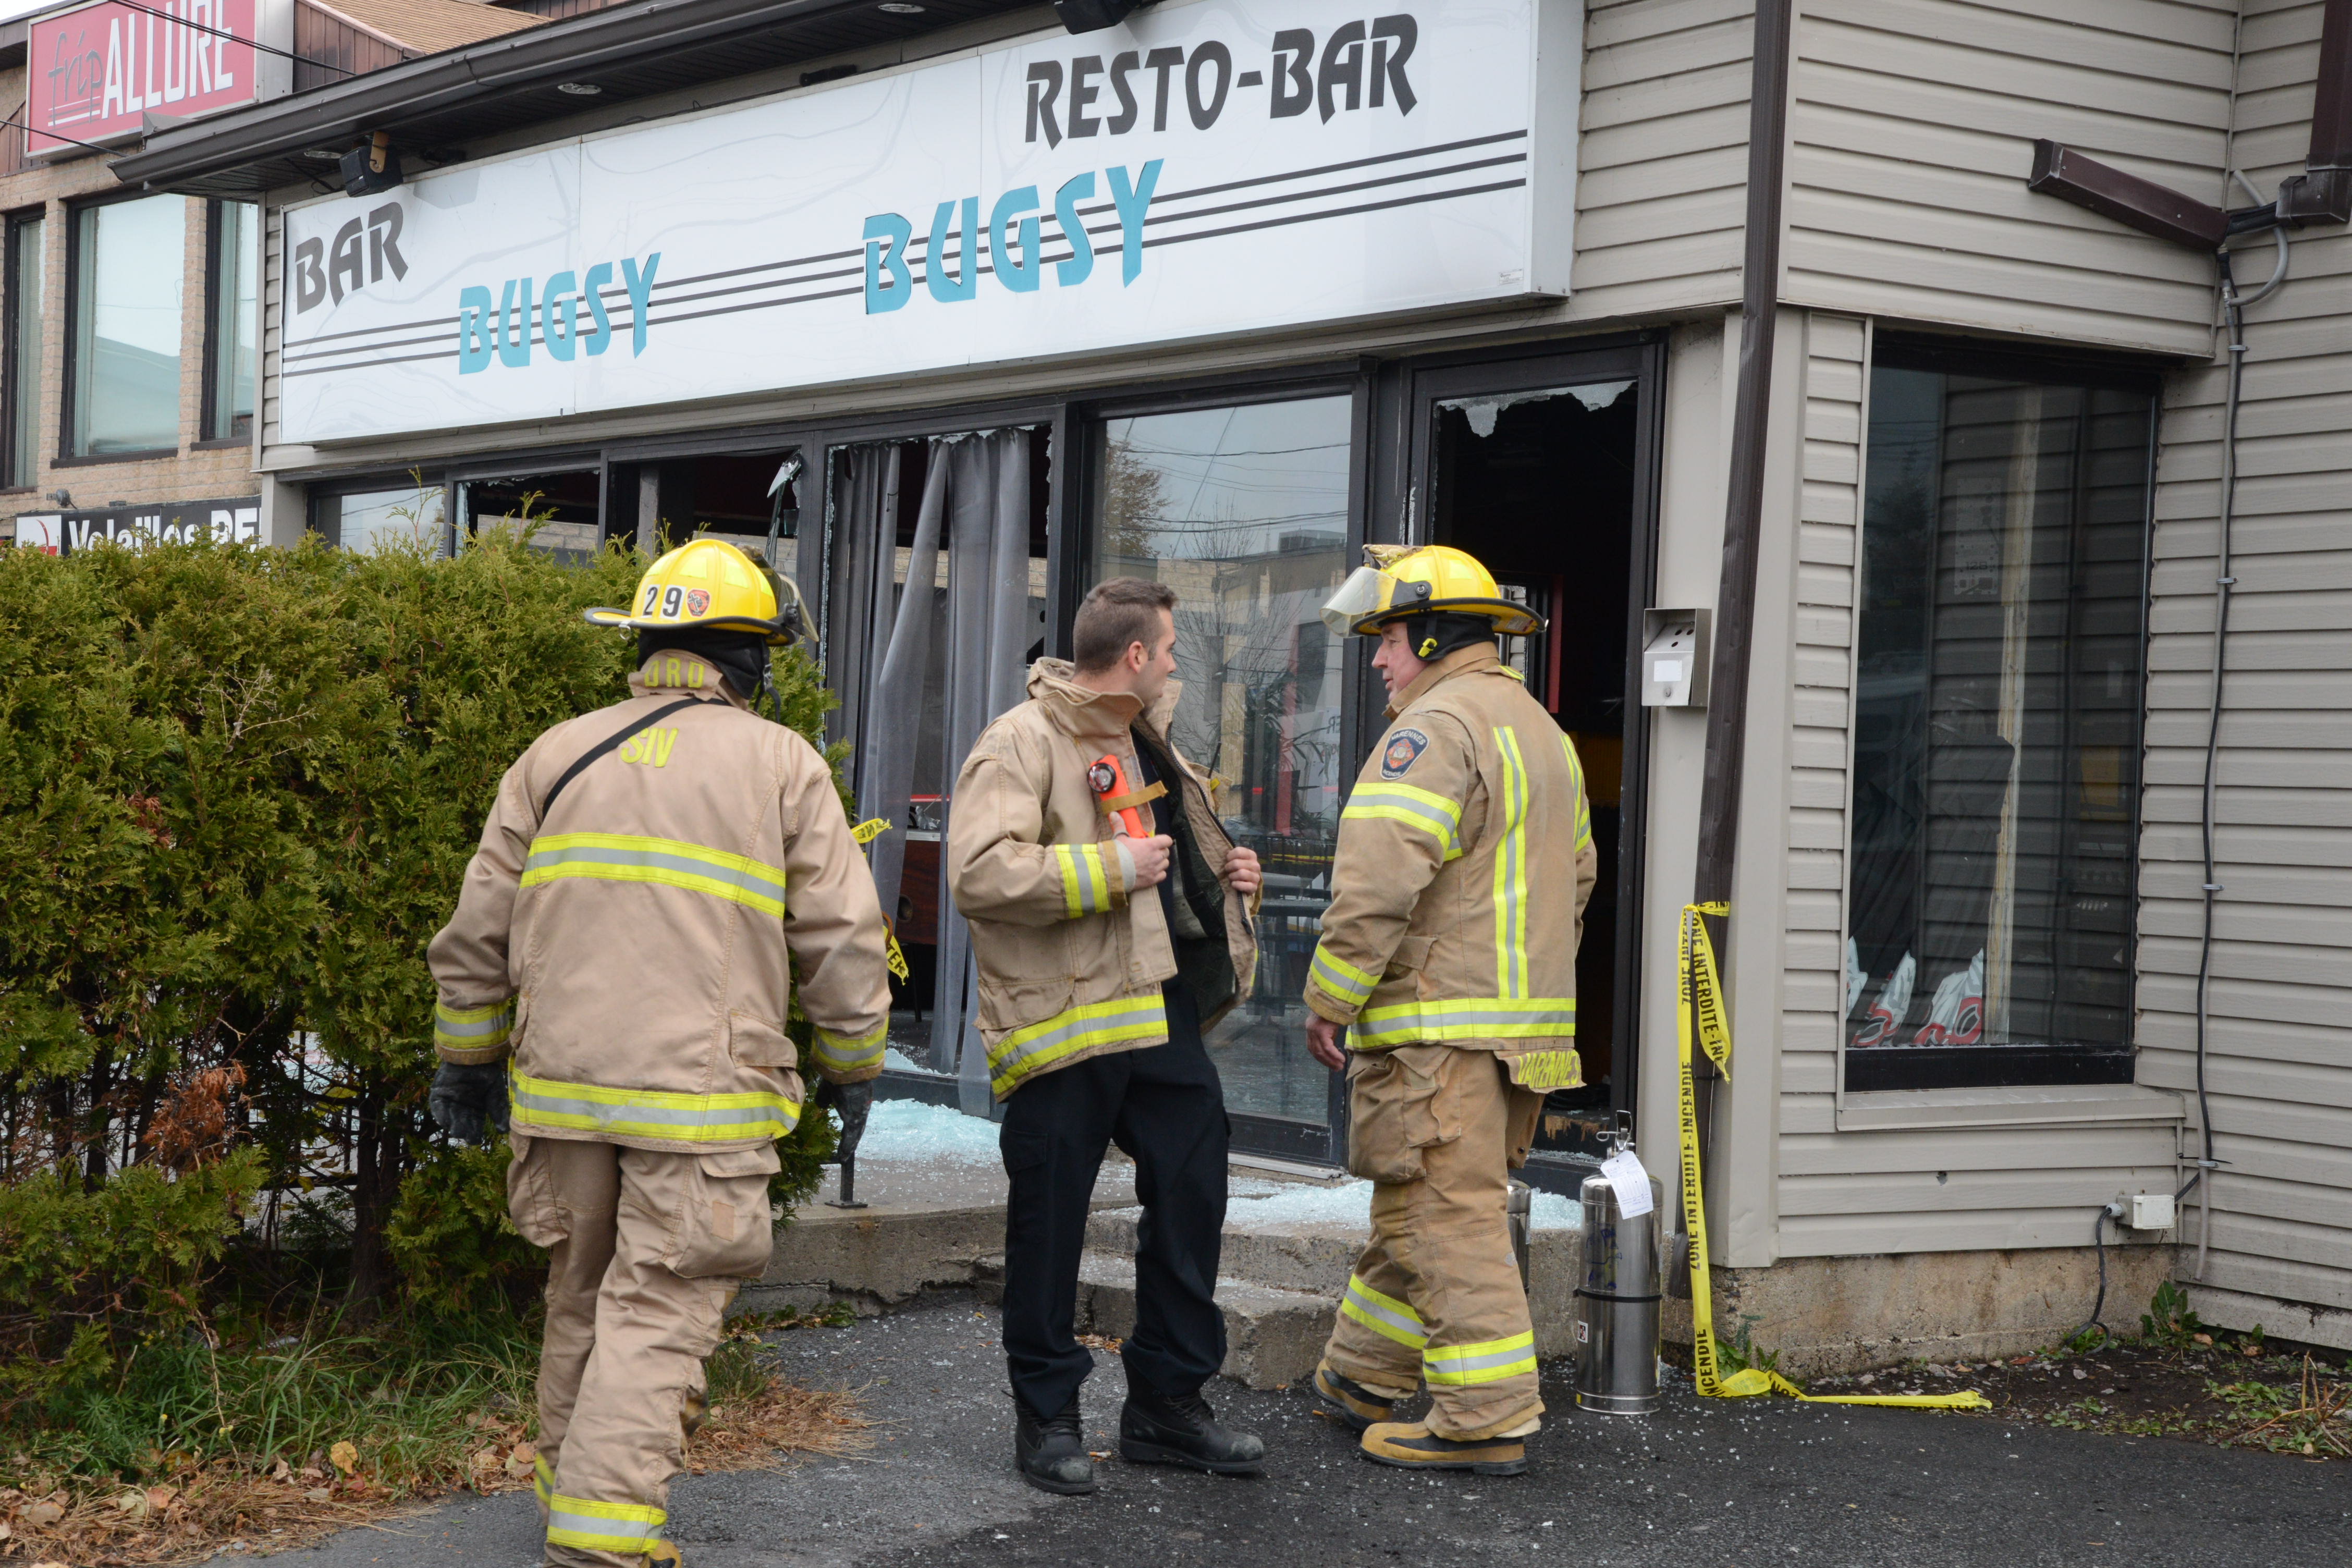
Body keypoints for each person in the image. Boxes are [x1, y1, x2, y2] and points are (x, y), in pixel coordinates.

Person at [426, 539, 891, 1567]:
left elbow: (478, 925)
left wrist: (466, 1059)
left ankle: (569, 1489)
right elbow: (843, 938)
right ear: (748, 658)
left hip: (561, 1089)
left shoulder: (556, 752)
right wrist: (856, 1065)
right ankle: (603, 1536)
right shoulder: (781, 764)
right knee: (662, 1301)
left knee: (582, 1288)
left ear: (648, 643)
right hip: (702, 1100)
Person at [947, 578, 1266, 1495]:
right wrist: (1112, 867)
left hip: (1153, 1011)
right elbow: (978, 872)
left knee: (1195, 1186)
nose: (1174, 664)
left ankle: (1167, 1407)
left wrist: (1227, 869)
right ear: (1135, 656)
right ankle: (1046, 1418)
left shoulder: (1144, 740)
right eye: (1168, 651)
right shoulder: (1019, 740)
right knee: (1050, 1222)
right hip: (1063, 1023)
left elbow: (1170, 874)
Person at [1300, 545, 1595, 1476]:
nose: (1380, 661)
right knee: (1418, 1203)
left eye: (1386, 640)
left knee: (1443, 1213)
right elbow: (1578, 877)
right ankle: (1360, 1376)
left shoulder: (1431, 731)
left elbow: (1377, 882)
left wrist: (1329, 998)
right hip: (1516, 1037)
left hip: (1439, 1030)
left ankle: (1485, 1418)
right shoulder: (1542, 731)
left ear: (1429, 634)